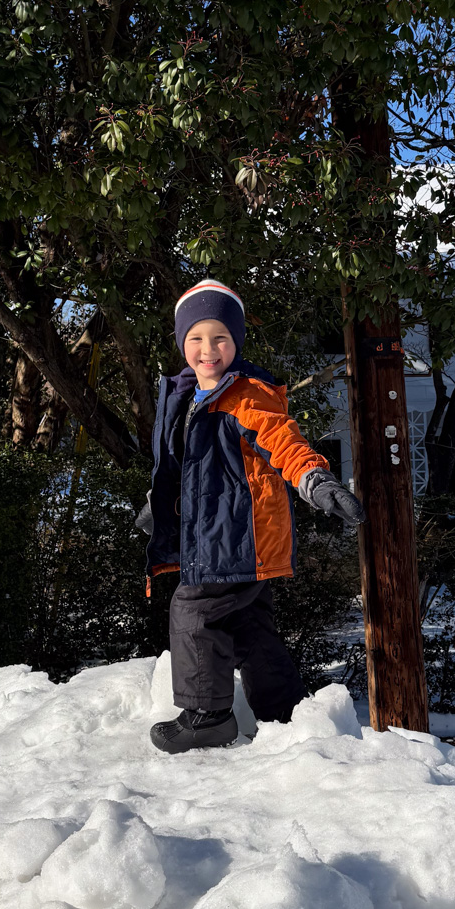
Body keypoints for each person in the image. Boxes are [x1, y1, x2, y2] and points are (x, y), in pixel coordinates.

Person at [137, 279, 365, 753]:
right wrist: (157, 506)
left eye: (220, 337)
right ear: (181, 342)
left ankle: (208, 716)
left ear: (236, 341)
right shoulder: (187, 397)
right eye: (196, 338)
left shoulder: (245, 396)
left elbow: (282, 440)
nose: (208, 350)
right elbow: (180, 467)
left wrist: (315, 480)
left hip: (238, 535)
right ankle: (285, 713)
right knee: (248, 625)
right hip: (220, 534)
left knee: (194, 611)